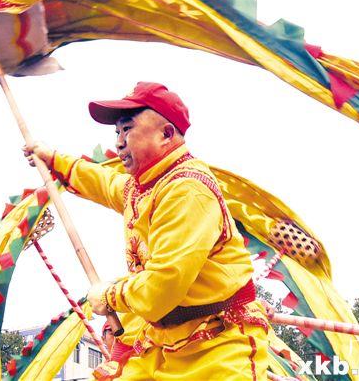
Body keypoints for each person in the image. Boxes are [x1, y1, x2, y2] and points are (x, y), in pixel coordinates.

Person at [25, 82, 269, 380]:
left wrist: (109, 296)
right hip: (162, 340)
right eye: (116, 133)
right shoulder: (143, 187)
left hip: (217, 345)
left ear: (166, 134)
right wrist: (52, 159)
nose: (118, 142)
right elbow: (104, 183)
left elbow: (161, 286)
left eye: (127, 129)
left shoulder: (188, 191)